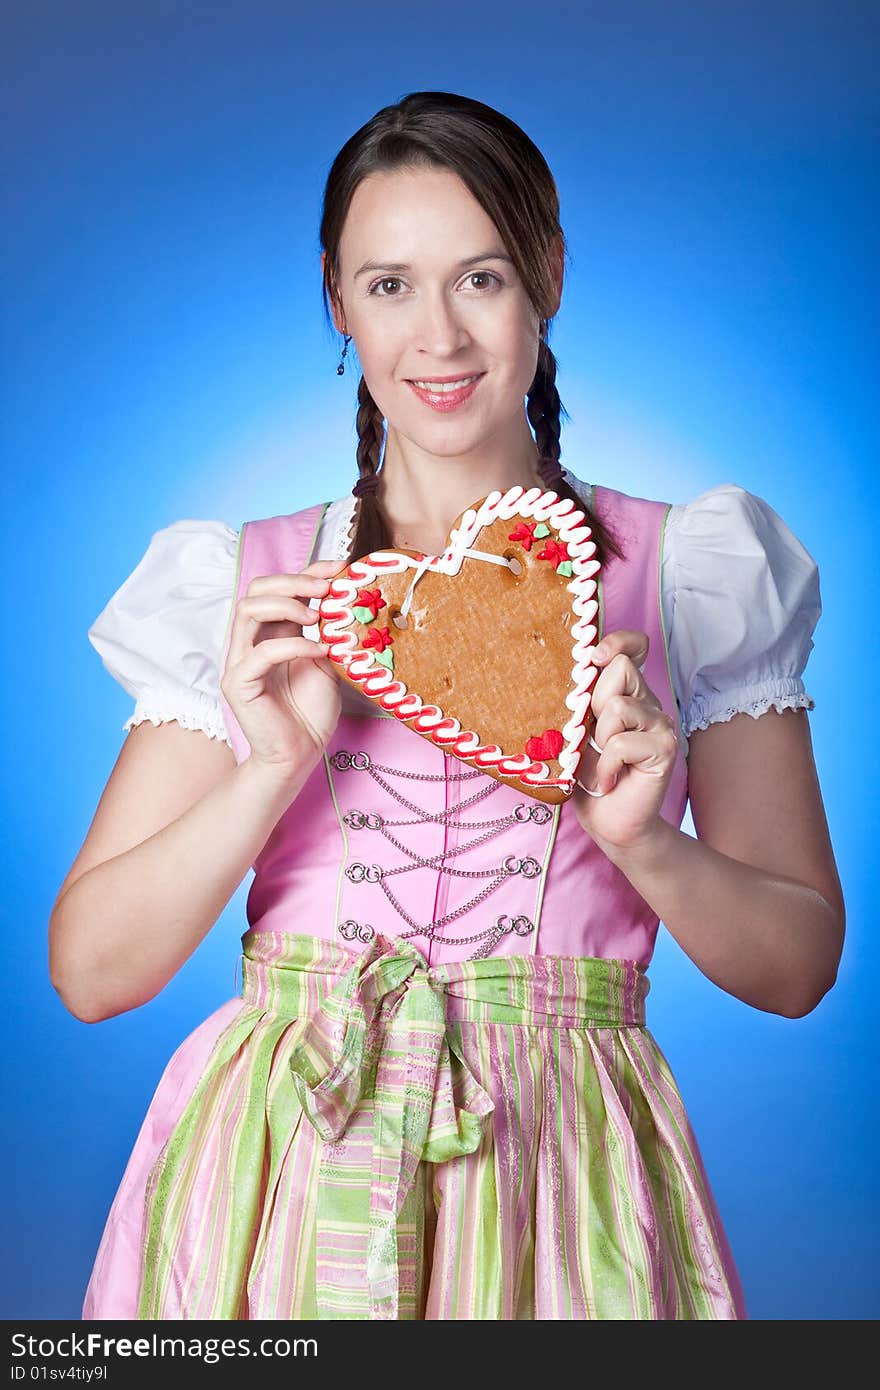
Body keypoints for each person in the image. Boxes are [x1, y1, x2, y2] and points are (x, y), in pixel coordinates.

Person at [50, 90, 845, 1322]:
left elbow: (797, 967)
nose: (439, 338)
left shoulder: (687, 571)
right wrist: (271, 766)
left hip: (563, 1168)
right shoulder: (248, 583)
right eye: (388, 286)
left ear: (547, 274)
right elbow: (94, 972)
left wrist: (643, 844)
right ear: (335, 298)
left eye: (479, 279)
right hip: (277, 1156)